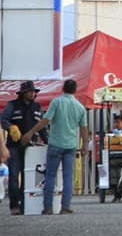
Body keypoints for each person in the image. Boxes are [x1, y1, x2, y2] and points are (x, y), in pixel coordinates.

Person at [20, 79, 88, 215]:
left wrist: (31, 132)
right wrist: (85, 145)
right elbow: (84, 128)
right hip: (71, 145)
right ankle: (65, 207)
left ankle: (48, 207)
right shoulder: (80, 107)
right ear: (75, 90)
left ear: (63, 88)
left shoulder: (57, 102)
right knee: (68, 177)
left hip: (56, 144)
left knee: (50, 175)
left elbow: (46, 120)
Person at [1, 80, 47, 215]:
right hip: (14, 146)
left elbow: (42, 128)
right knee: (14, 176)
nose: (32, 94)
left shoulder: (37, 107)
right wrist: (10, 127)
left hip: (31, 147)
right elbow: (3, 120)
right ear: (23, 93)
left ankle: (24, 204)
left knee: (28, 177)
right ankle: (14, 205)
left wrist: (48, 143)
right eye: (30, 91)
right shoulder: (12, 105)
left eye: (34, 92)